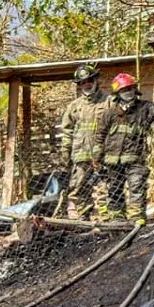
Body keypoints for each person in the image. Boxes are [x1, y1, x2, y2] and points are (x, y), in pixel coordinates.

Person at [93, 73, 154, 226]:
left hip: (136, 159)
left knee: (137, 187)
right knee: (114, 189)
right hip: (112, 160)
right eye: (123, 90)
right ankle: (116, 218)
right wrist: (96, 157)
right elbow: (99, 135)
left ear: (135, 89)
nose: (127, 92)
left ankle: (136, 218)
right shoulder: (110, 113)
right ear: (117, 93)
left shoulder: (144, 108)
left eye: (130, 88)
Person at [58, 64, 112, 220]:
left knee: (105, 187)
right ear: (79, 85)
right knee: (79, 187)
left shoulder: (109, 102)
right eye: (82, 82)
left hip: (104, 154)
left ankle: (106, 217)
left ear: (95, 80)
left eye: (89, 80)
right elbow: (67, 132)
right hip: (81, 154)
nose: (86, 84)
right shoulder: (74, 107)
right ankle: (83, 217)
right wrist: (65, 153)